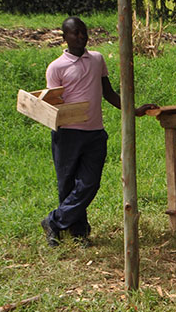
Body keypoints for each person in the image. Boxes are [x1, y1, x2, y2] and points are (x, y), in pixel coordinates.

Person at [40, 16, 153, 247]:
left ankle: (53, 220)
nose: (81, 36)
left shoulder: (97, 60)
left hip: (94, 133)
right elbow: (53, 103)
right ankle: (77, 232)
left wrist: (134, 110)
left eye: (83, 32)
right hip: (68, 134)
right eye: (75, 33)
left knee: (90, 183)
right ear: (65, 37)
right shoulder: (56, 67)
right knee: (68, 185)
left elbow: (108, 93)